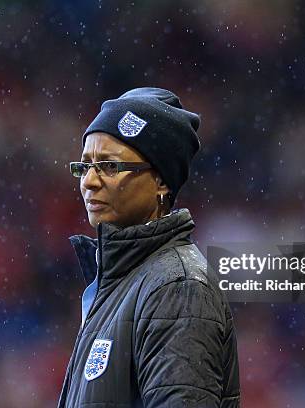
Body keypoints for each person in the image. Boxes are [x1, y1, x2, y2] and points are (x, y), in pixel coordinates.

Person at [58, 87, 240, 407]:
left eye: (110, 166)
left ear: (161, 181)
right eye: (84, 165)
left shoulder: (177, 286)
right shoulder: (123, 284)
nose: (88, 180)